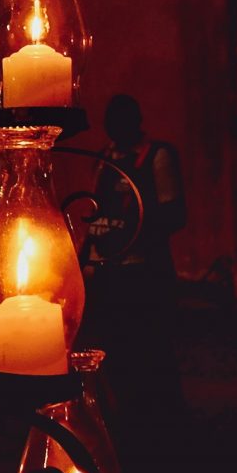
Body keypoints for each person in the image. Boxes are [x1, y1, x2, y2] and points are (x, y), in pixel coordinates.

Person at [91, 94, 187, 419]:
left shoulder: (157, 157)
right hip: (111, 273)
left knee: (152, 348)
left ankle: (160, 418)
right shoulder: (104, 158)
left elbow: (174, 213)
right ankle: (125, 415)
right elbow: (95, 211)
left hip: (145, 273)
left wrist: (135, 230)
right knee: (115, 349)